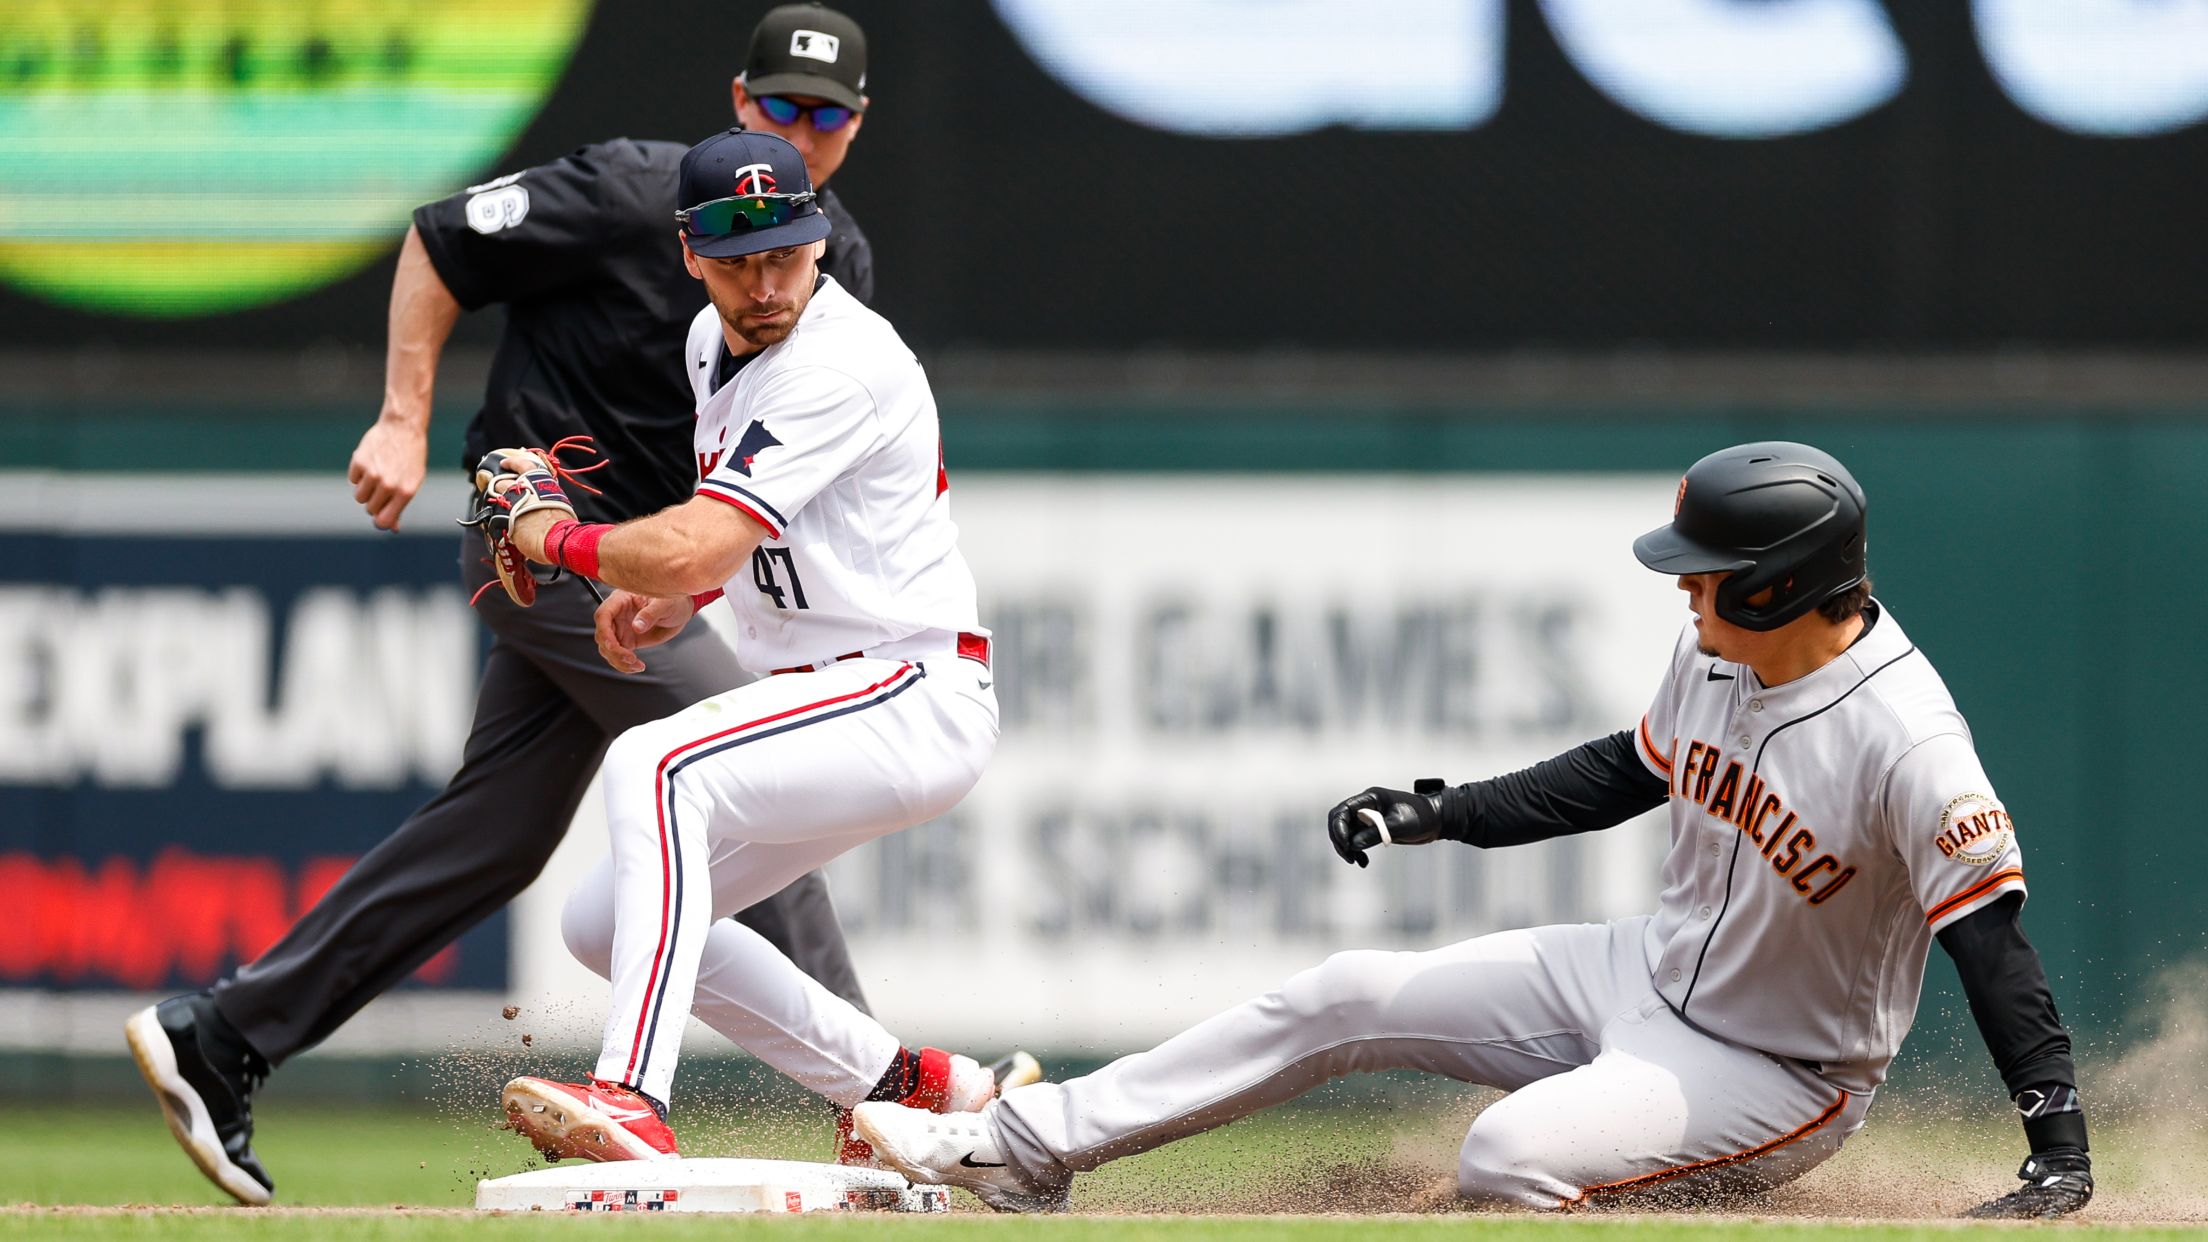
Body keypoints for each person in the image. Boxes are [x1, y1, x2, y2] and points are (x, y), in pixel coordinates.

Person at [853, 442, 2095, 1220]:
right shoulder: (1718, 650)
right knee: (1348, 992)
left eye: (1706, 570)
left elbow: (1994, 947)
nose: (1682, 585)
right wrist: (1437, 812)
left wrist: (2058, 1151)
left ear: (1779, 584)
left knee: (1506, 1161)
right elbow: (1623, 772)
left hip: (1781, 1069)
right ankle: (1023, 1151)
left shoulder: (1909, 742)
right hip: (1642, 973)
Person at [124, 3, 887, 1206]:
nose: (801, 125)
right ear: (741, 101)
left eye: (824, 113)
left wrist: (698, 573)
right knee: (747, 767)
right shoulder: (636, 194)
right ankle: (886, 1100)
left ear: (852, 126)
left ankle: (224, 1035)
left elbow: (766, 469)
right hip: (532, 528)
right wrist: (403, 414)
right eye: (780, 103)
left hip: (642, 567)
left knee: (497, 835)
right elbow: (443, 244)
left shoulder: (828, 260)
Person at [486, 126, 1011, 1164]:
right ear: (690, 255)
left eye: (787, 251)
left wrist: (555, 536)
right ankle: (913, 1088)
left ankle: (631, 1095)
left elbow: (697, 533)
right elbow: (745, 537)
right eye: (738, 259)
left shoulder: (842, 360)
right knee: (599, 922)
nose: (768, 281)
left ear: (818, 242)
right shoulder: (706, 343)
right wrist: (688, 597)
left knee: (654, 762)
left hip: (909, 686)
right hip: (838, 690)